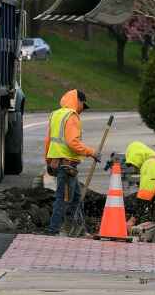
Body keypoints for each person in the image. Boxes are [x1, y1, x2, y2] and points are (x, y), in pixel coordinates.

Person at [43, 89, 100, 235]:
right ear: (78, 101)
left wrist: (48, 161)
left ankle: (78, 228)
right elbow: (72, 142)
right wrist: (91, 152)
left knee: (76, 198)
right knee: (62, 199)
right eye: (83, 105)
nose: (82, 109)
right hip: (66, 165)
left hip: (59, 164)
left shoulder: (56, 114)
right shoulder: (71, 116)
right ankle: (54, 230)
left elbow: (48, 141)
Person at [124, 140, 155, 229]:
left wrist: (132, 220)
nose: (134, 168)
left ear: (137, 156)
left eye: (133, 164)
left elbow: (144, 197)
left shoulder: (149, 164)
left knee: (132, 204)